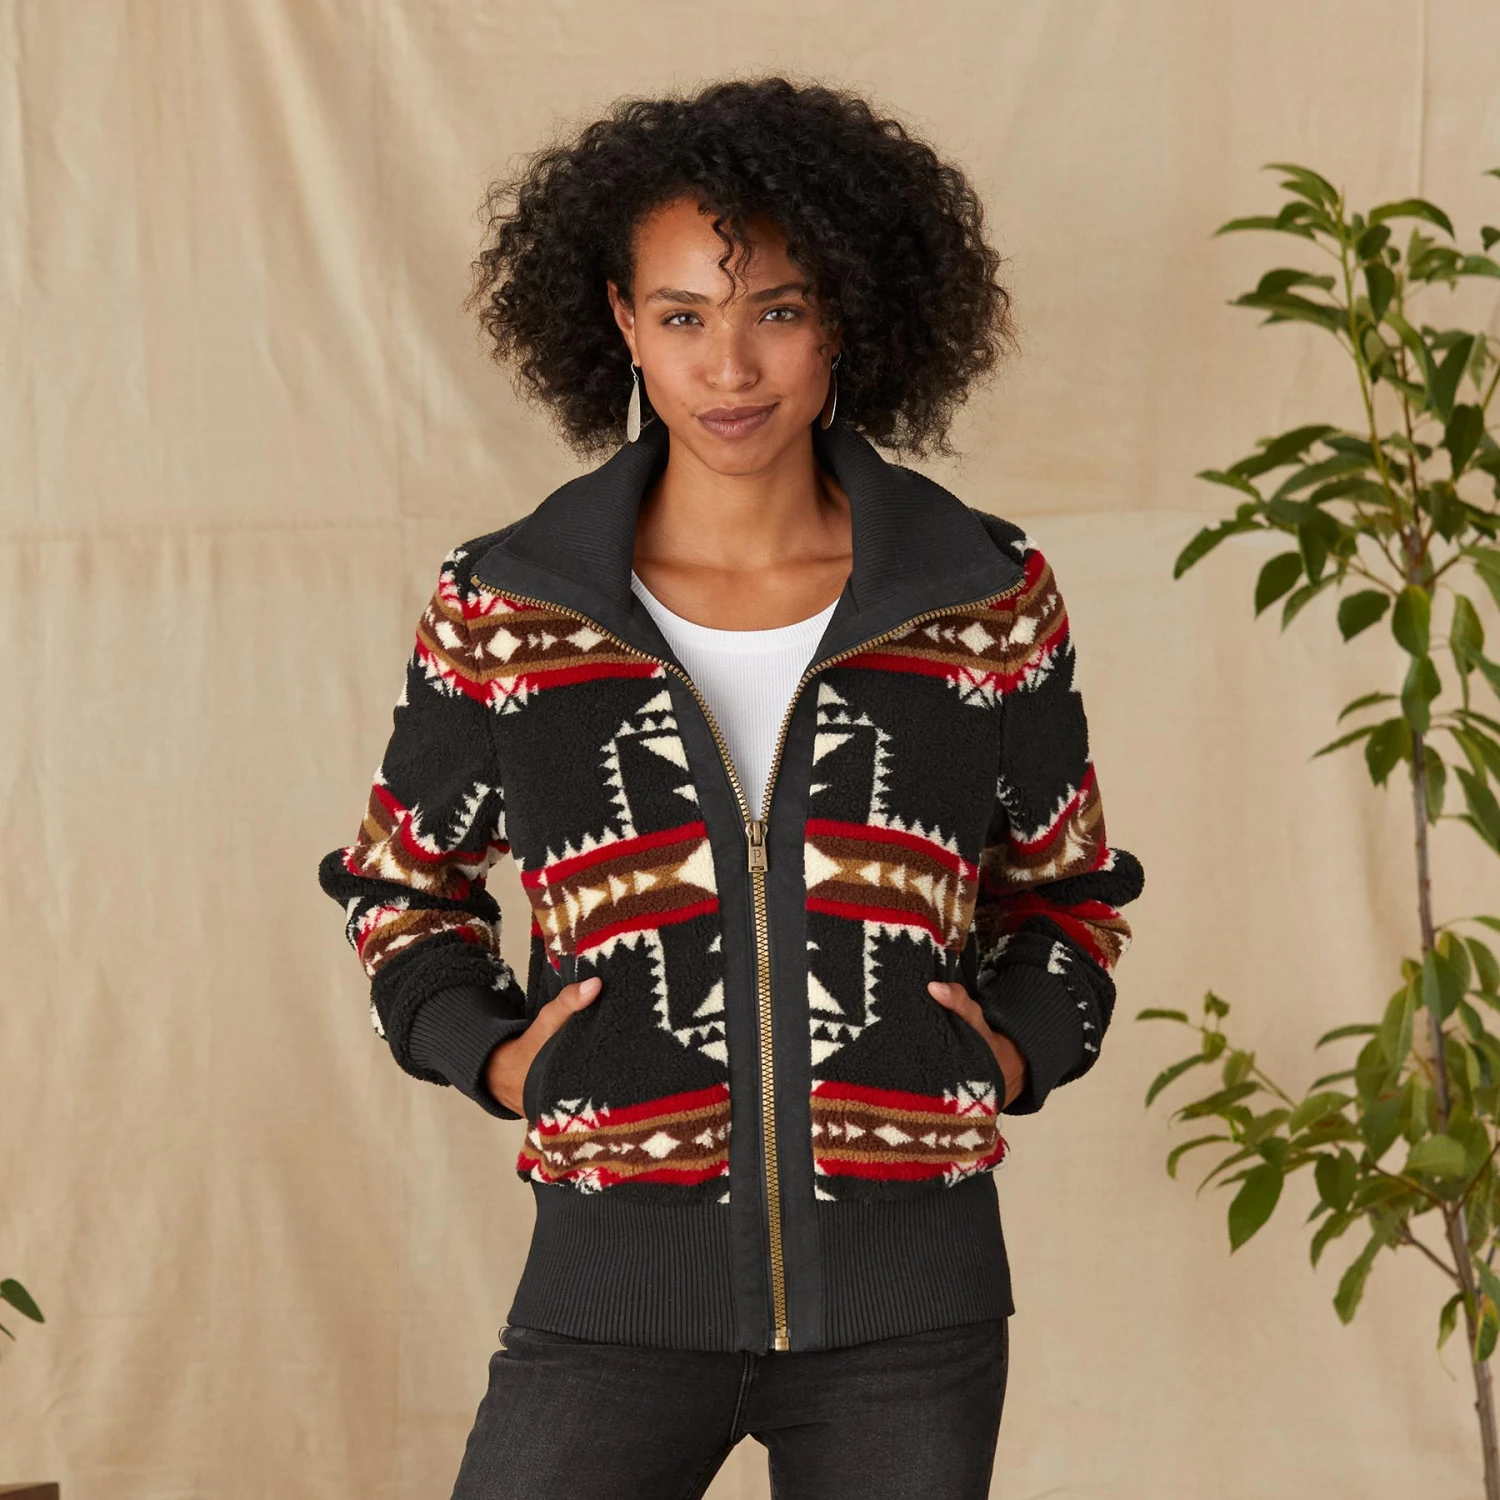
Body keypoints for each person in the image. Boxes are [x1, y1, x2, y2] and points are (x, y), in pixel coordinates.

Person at [317, 74, 1145, 1500]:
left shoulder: (981, 595)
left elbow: (1067, 887)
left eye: (779, 310)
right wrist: (497, 1057)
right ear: (624, 325)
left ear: (845, 322)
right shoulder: (511, 605)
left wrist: (1011, 1053)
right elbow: (404, 888)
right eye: (686, 316)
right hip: (611, 1293)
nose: (733, 367)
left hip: (910, 1317)